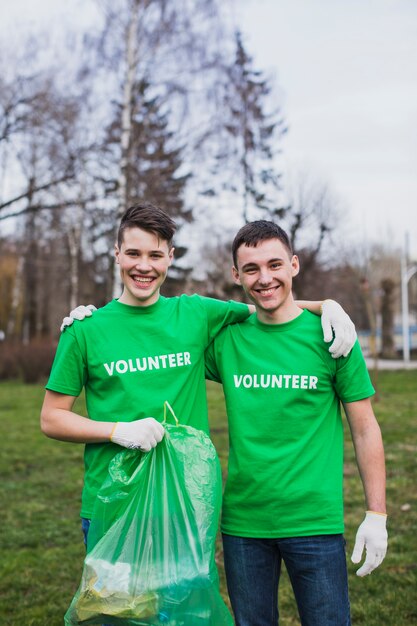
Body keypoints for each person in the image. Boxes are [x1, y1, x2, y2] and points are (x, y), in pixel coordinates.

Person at [204, 220, 387, 626]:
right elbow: (159, 332)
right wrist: (95, 319)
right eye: (251, 269)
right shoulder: (226, 340)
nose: (264, 278)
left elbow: (365, 427)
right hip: (243, 525)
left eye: (274, 265)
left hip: (314, 522)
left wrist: (377, 514)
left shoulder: (333, 336)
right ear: (236, 275)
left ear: (294, 265)